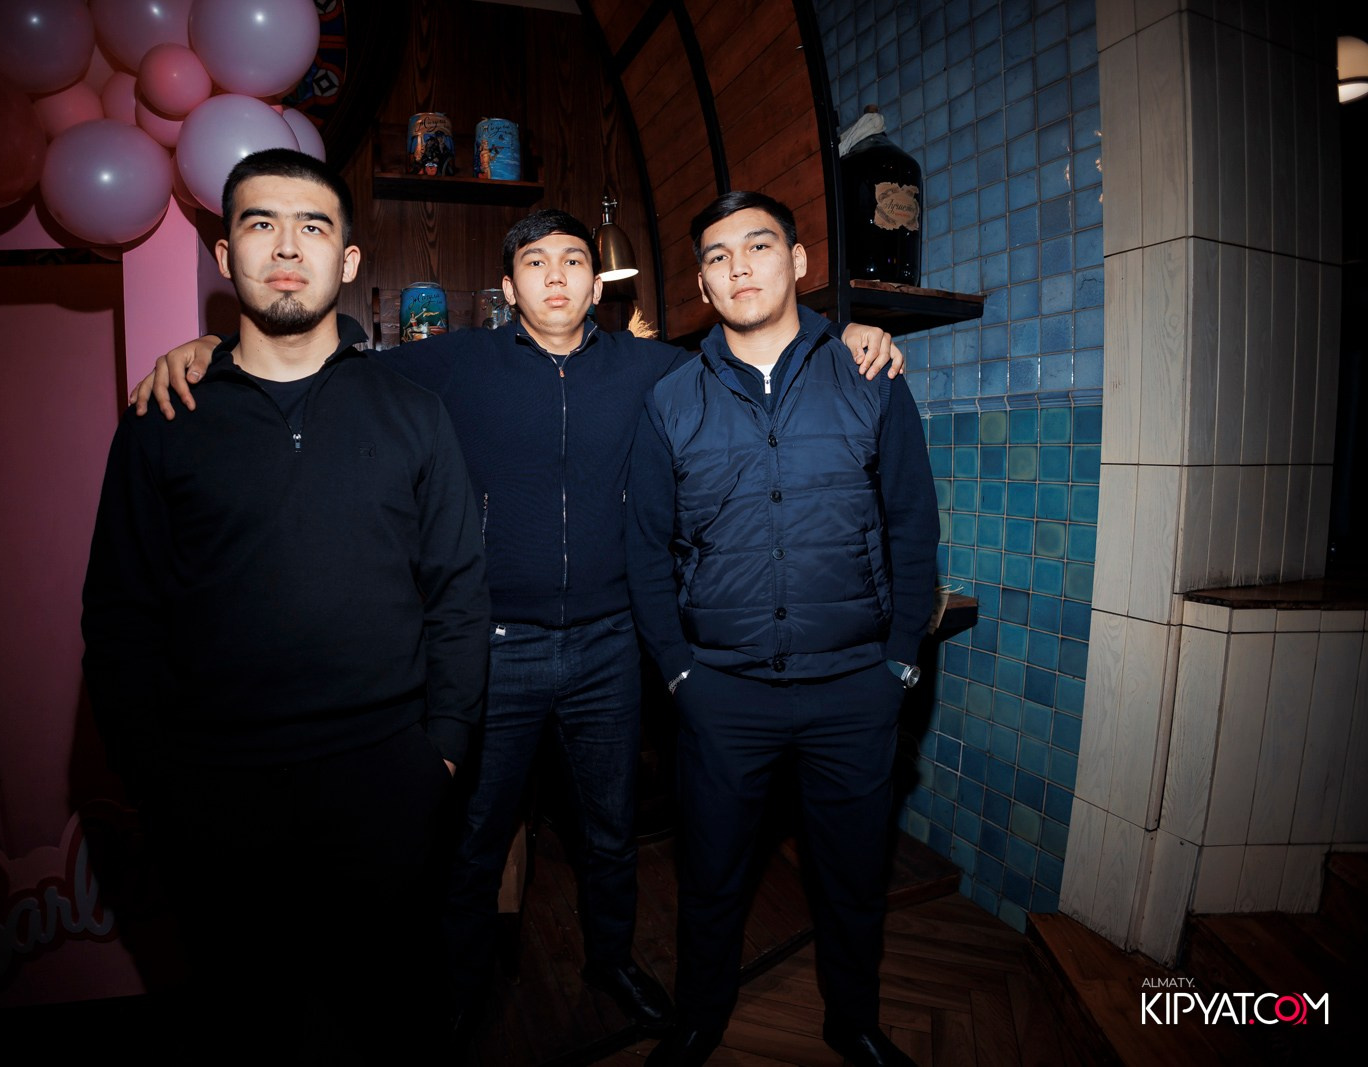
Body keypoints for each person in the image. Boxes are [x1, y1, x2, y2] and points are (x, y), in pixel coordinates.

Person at [131, 209, 906, 1042]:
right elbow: (341, 356)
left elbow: (757, 344)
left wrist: (851, 334)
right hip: (497, 646)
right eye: (536, 262)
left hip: (611, 643)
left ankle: (610, 961)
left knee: (610, 831)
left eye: (574, 260)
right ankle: (460, 990)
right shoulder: (459, 360)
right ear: (508, 287)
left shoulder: (650, 367)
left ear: (595, 282)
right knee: (475, 834)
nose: (557, 275)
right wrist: (216, 349)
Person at [81, 149, 489, 1054]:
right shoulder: (164, 418)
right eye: (260, 223)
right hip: (213, 794)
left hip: (388, 781)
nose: (288, 246)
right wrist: (154, 779)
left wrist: (444, 751)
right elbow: (119, 614)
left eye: (313, 226)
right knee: (248, 1023)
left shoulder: (414, 412)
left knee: (397, 1022)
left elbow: (459, 591)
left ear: (348, 258)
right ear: (226, 256)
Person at [625, 191, 938, 1067]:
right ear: (701, 284)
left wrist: (898, 663)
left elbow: (913, 525)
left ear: (798, 261)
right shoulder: (670, 400)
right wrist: (679, 673)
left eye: (758, 246)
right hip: (722, 692)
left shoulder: (869, 376)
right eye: (717, 256)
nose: (739, 268)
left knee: (853, 874)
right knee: (712, 874)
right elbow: (645, 549)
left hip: (855, 689)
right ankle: (700, 1017)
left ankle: (854, 1020)